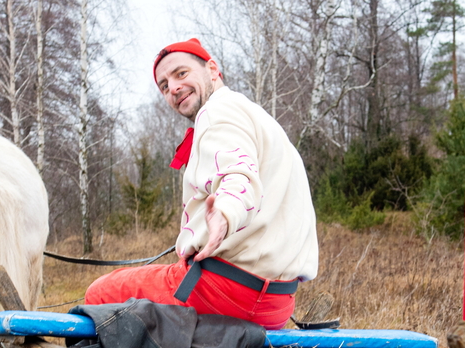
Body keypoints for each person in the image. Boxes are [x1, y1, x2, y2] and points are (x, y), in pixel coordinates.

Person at [84, 38, 318, 330]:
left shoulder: (217, 112)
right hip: (277, 304)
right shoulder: (256, 117)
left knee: (100, 292)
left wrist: (225, 215)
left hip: (225, 291)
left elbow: (238, 176)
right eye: (164, 86)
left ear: (212, 69)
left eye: (181, 74)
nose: (173, 88)